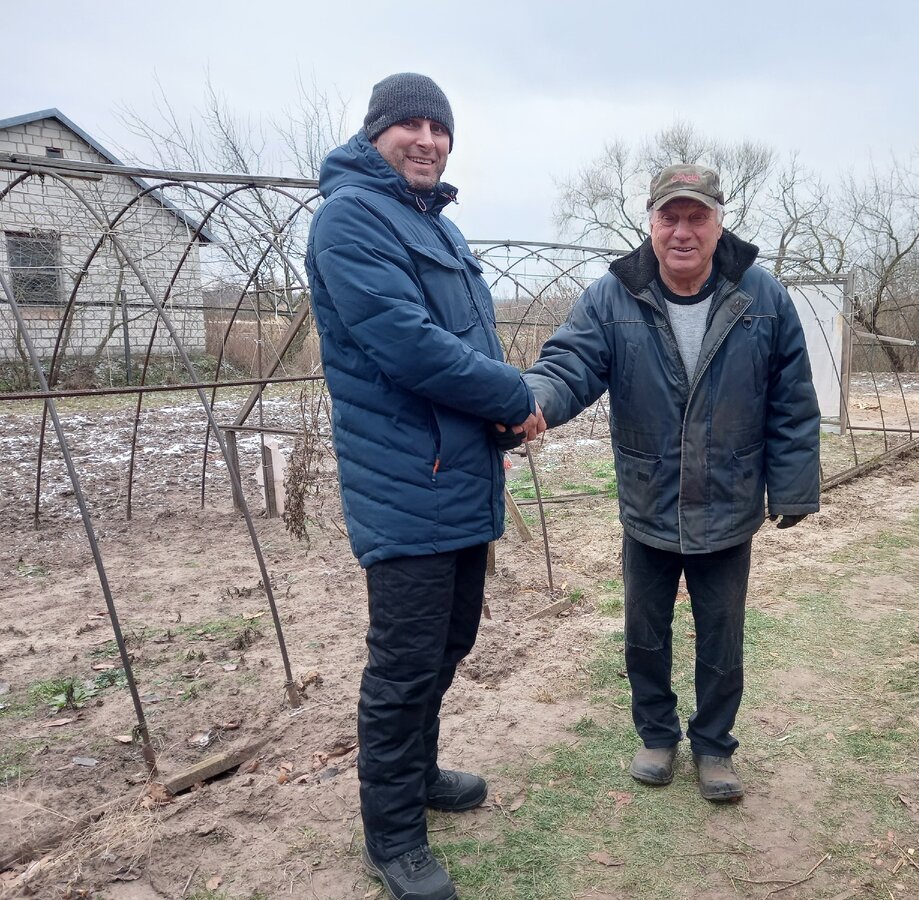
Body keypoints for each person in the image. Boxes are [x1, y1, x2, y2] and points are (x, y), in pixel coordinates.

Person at [305, 73, 544, 900]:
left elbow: (465, 340)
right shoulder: (349, 219)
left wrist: (502, 418)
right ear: (375, 134)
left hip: (459, 476)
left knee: (449, 644)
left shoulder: (435, 226)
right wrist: (517, 399)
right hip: (405, 481)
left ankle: (419, 773)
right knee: (404, 665)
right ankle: (392, 833)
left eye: (438, 127)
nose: (426, 139)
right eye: (407, 124)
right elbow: (406, 346)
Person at [524, 163, 821, 802]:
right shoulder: (614, 295)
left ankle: (714, 746)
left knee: (722, 636)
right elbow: (571, 361)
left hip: (728, 500)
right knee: (644, 633)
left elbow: (791, 398)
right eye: (670, 217)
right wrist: (536, 401)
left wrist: (793, 486)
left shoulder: (761, 297)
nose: (682, 231)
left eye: (697, 217)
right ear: (651, 223)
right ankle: (656, 734)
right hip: (649, 497)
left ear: (719, 222)